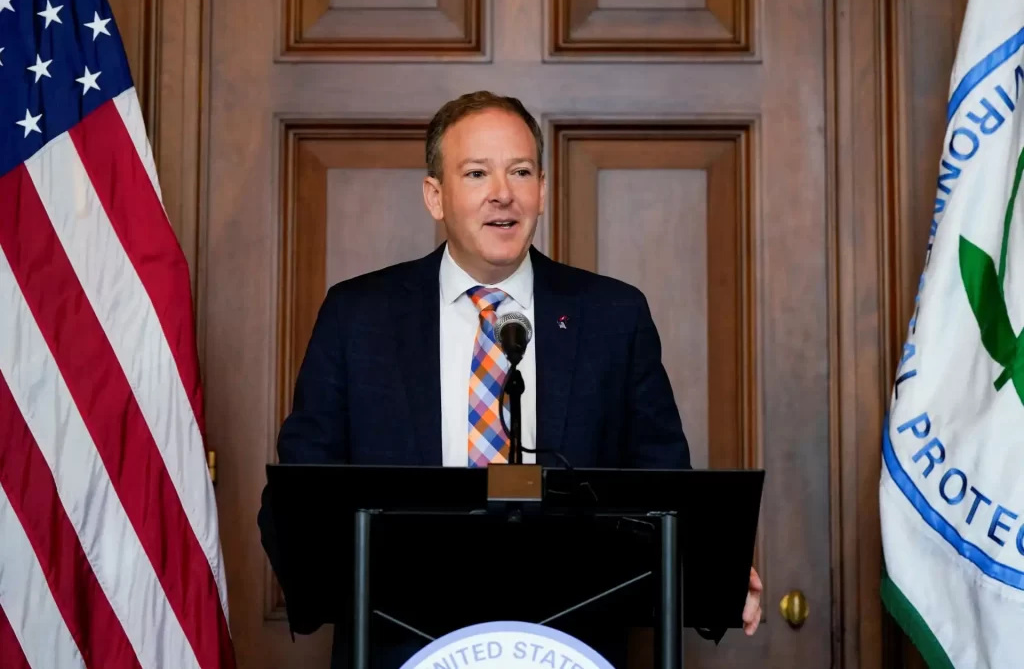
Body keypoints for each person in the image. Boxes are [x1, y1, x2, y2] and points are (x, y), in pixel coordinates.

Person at [258, 90, 762, 667]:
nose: (503, 192)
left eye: (520, 171)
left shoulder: (612, 316)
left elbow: (663, 486)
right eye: (476, 173)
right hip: (398, 644)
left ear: (542, 189)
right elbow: (302, 490)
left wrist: (710, 571)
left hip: (573, 647)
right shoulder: (357, 316)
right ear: (435, 196)